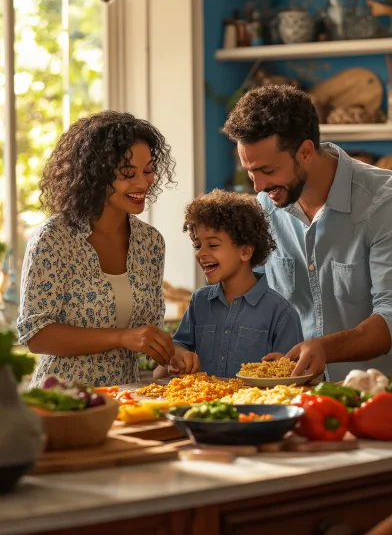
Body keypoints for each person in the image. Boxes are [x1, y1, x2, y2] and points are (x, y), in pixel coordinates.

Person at [223, 84, 392, 382]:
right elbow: (257, 298)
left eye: (268, 171)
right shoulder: (265, 207)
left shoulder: (382, 204)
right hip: (296, 397)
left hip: (375, 399)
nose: (258, 187)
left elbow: (390, 318)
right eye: (251, 173)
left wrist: (324, 348)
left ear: (305, 152)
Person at [17, 111, 177, 387]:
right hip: (64, 401)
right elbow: (37, 334)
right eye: (128, 173)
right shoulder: (53, 239)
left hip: (126, 400)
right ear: (97, 175)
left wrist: (173, 354)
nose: (143, 183)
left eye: (148, 170)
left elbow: (147, 333)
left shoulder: (151, 243)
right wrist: (121, 337)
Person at [153, 189, 303, 379]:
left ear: (246, 252)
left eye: (213, 245)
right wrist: (179, 354)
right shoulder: (199, 301)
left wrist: (284, 368)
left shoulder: (280, 312)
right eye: (198, 246)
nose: (200, 253)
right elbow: (178, 346)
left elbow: (295, 375)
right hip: (205, 406)